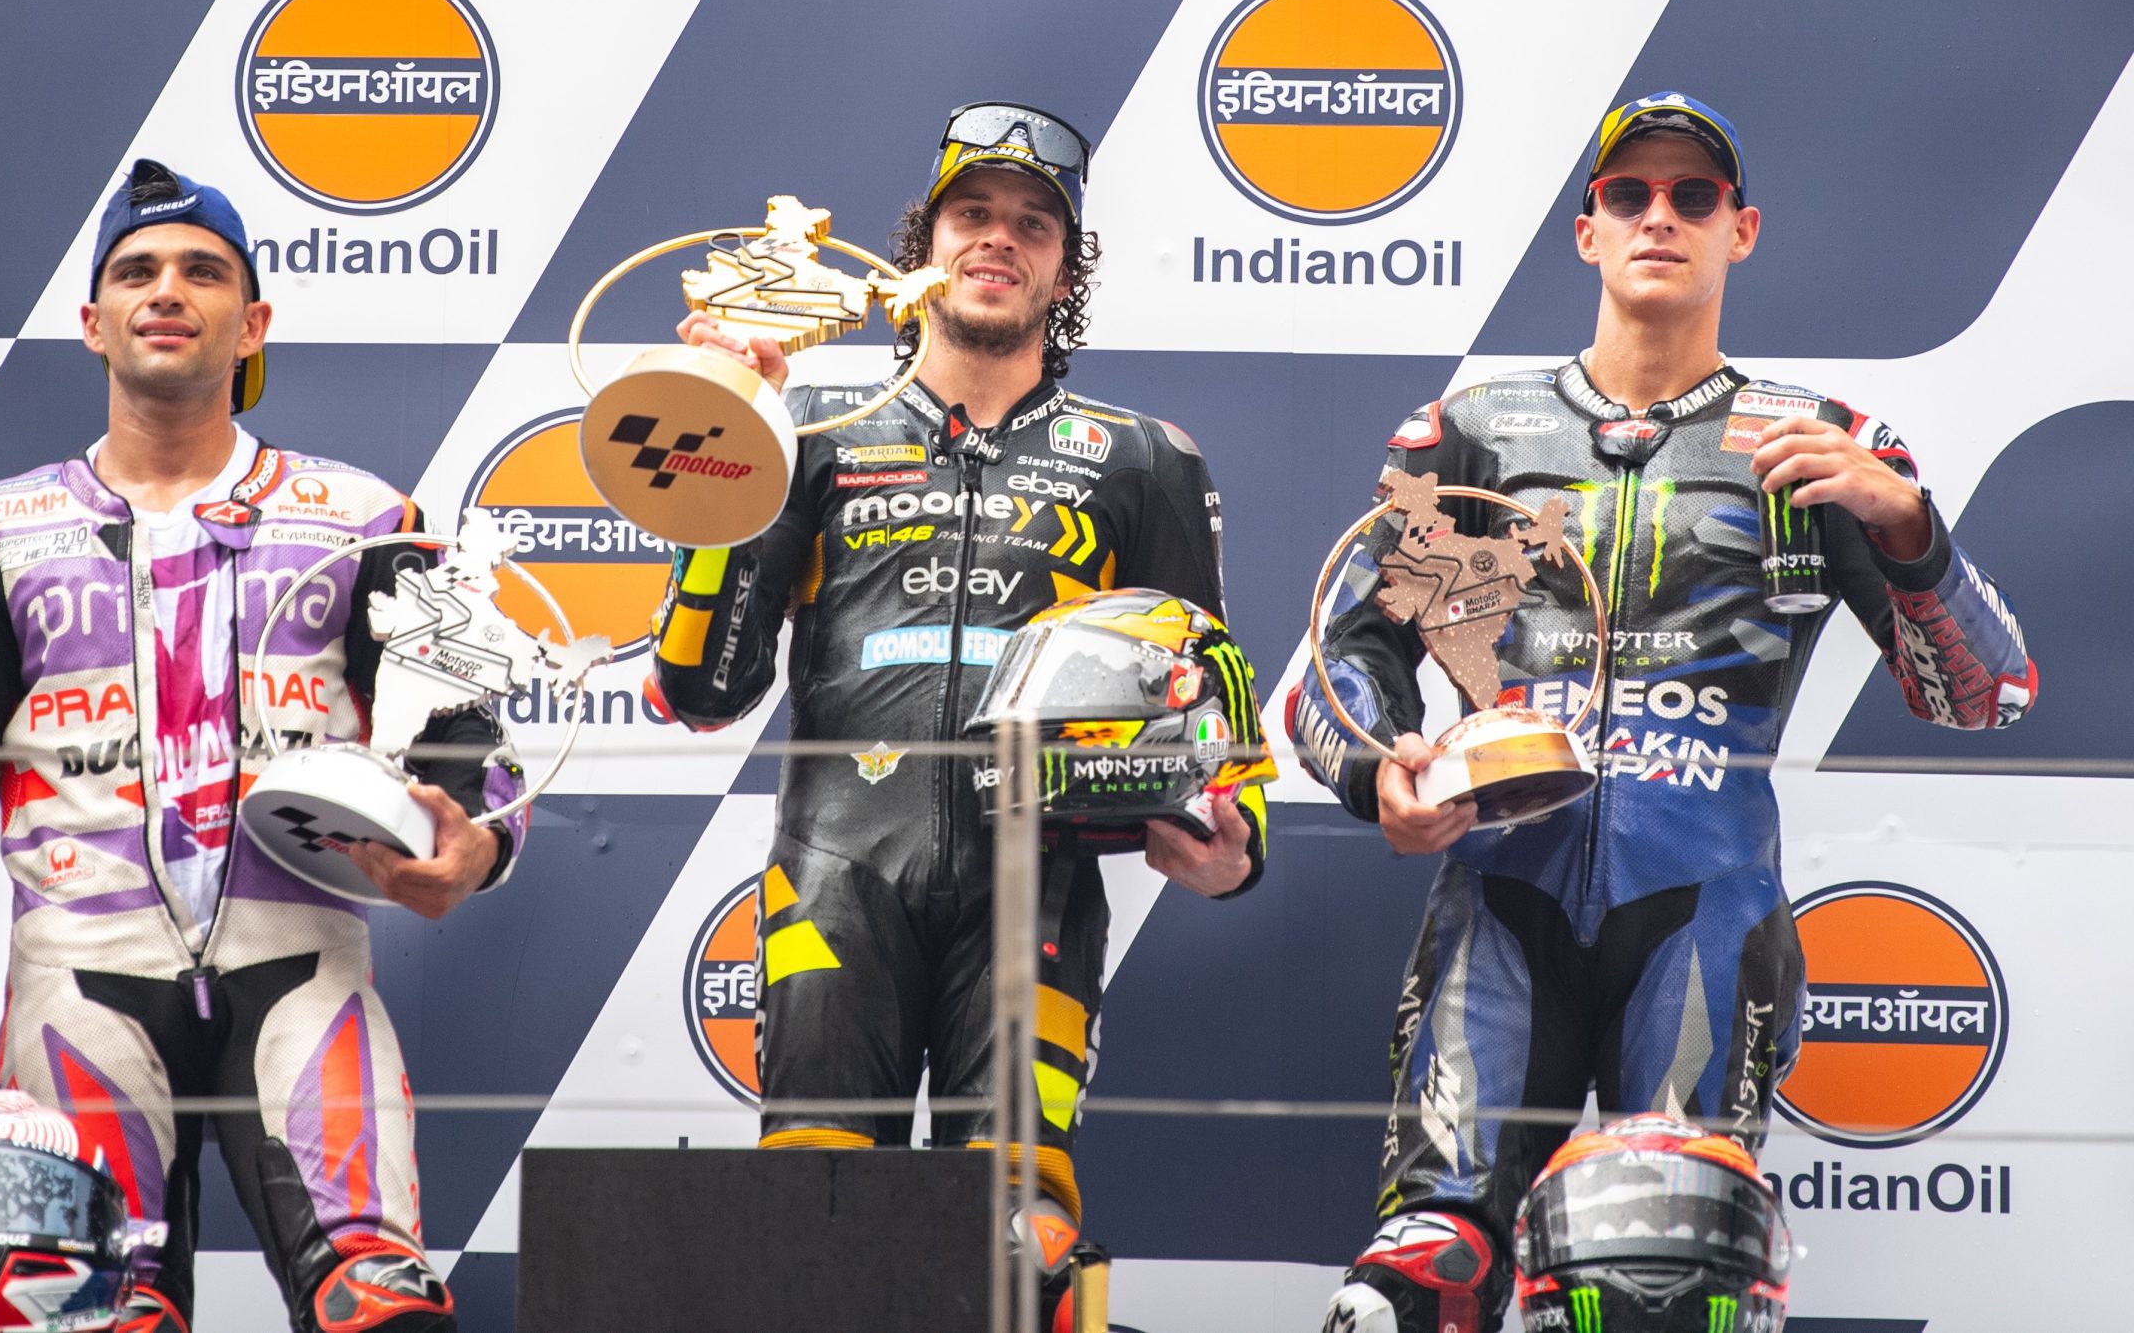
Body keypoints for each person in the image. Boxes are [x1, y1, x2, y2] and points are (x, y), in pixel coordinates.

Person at [1290, 94, 2038, 1333]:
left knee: (1672, 1281)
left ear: (1740, 230)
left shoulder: (1820, 446)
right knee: (1425, 1275)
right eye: (1627, 195)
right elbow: (1335, 659)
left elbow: (1986, 694)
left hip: (1705, 912)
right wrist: (1382, 777)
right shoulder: (1473, 432)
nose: (1659, 217)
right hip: (1498, 904)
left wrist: (1907, 524)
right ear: (1586, 231)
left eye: (1693, 197)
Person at [0, 159, 527, 1333]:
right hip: (79, 977)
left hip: (305, 965)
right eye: (137, 272)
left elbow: (468, 744)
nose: (167, 291)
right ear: (92, 322)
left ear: (252, 322)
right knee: (99, 1312)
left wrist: (472, 847)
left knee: (379, 1302)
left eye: (202, 272)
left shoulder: (367, 519)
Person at [646, 102, 1270, 1311]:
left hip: (1036, 892)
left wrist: (1231, 841)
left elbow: (1208, 706)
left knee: (1021, 1235)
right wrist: (723, 444)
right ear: (920, 250)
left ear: (1064, 270)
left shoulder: (1143, 458)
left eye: (1033, 224)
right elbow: (700, 689)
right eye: (971, 213)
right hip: (833, 877)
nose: (998, 238)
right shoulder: (808, 436)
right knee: (814, 1218)